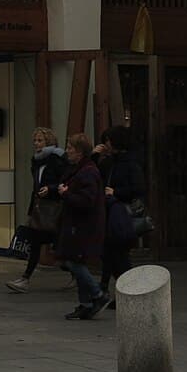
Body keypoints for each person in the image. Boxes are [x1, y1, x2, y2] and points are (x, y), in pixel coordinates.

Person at [6, 126, 66, 293]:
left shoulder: (57, 158)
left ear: (48, 141)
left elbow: (64, 179)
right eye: (35, 140)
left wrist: (51, 189)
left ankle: (77, 272)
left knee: (57, 244)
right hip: (40, 206)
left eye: (40, 140)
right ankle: (25, 278)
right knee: (36, 241)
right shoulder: (36, 160)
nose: (36, 144)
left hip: (54, 207)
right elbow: (36, 185)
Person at [56, 132, 109, 320]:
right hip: (77, 223)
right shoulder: (79, 169)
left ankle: (97, 294)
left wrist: (66, 194)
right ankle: (85, 303)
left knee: (73, 261)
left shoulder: (87, 171)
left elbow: (87, 200)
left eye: (70, 148)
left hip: (83, 225)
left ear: (79, 152)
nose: (67, 151)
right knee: (74, 260)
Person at [95, 126, 145, 309]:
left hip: (120, 213)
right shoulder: (110, 162)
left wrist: (116, 192)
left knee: (118, 256)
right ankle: (114, 290)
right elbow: (95, 175)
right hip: (110, 212)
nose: (106, 144)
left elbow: (138, 189)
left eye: (108, 140)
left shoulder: (130, 163)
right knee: (110, 254)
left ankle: (128, 291)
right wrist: (94, 156)